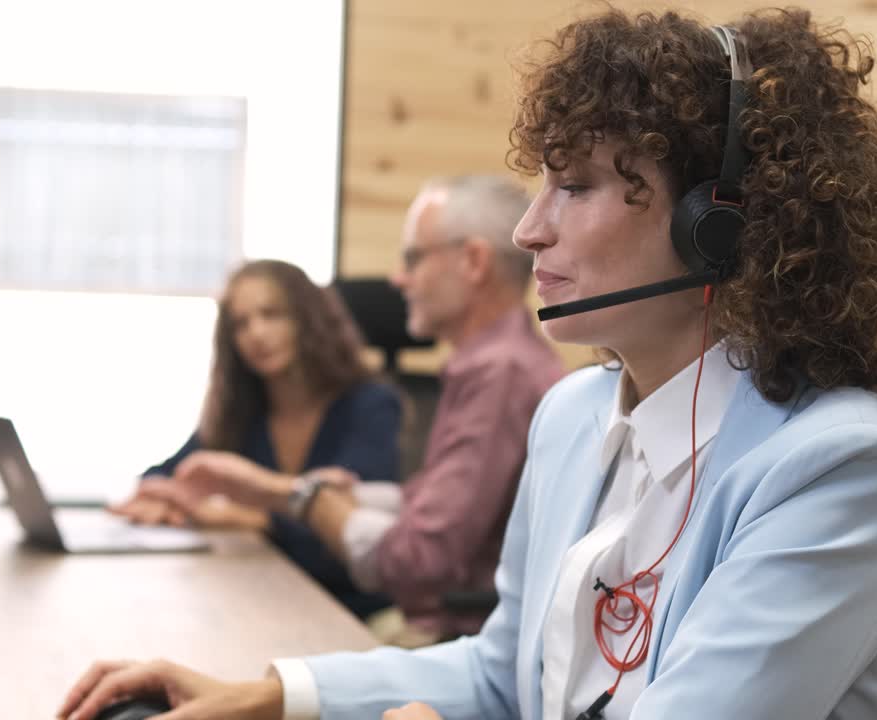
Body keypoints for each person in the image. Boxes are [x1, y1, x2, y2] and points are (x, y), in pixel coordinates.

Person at [57, 8, 877, 720]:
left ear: (714, 227)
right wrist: (266, 695)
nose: (529, 231)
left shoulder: (838, 468)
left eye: (577, 186)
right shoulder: (571, 419)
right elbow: (502, 680)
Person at [134, 175, 566, 644]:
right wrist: (311, 495)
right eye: (242, 323)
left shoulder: (499, 376)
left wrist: (296, 497)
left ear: (474, 261)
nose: (399, 279)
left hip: (457, 642)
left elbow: (417, 561)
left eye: (413, 258)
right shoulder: (493, 367)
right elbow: (423, 509)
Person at [112, 259, 402, 620]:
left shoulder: (369, 404)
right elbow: (166, 476)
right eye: (241, 323)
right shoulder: (242, 411)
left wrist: (256, 520)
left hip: (349, 612)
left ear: (306, 318)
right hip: (260, 600)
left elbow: (347, 532)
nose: (257, 334)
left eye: (272, 314)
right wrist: (171, 502)